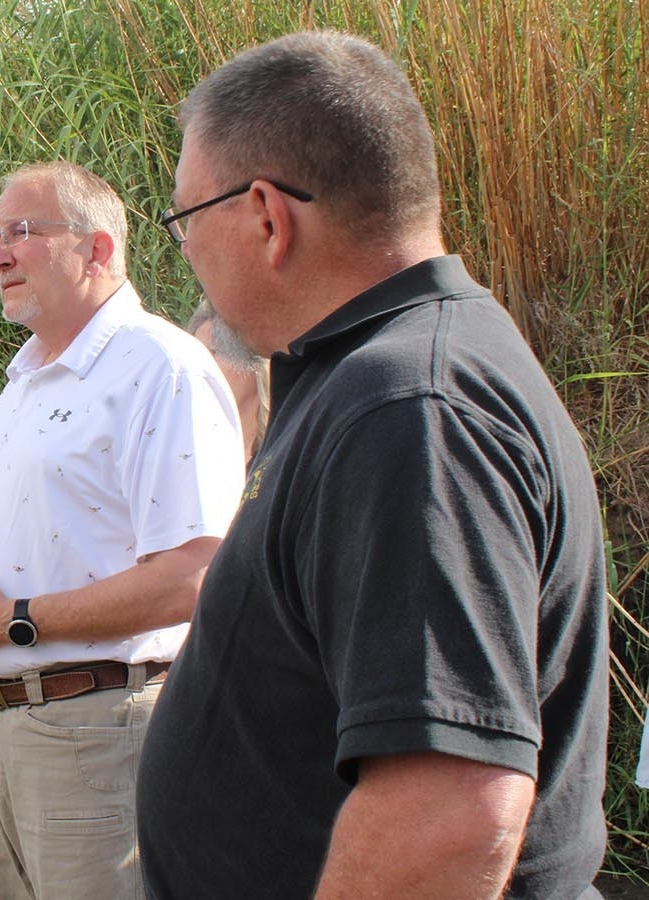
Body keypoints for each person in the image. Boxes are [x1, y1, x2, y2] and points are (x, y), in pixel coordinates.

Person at [138, 31, 609, 900]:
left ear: (267, 217)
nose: (188, 256)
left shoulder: (409, 409)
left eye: (185, 220)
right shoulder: (386, 372)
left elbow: (450, 813)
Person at [0, 161, 245, 899]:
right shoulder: (24, 382)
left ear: (98, 249)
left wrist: (14, 621)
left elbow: (197, 573)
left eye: (22, 231)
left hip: (95, 731)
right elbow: (36, 539)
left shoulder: (158, 367)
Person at [187, 295, 268, 462]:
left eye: (215, 351)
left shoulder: (286, 455)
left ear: (258, 364)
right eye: (197, 352)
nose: (201, 365)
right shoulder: (180, 455)